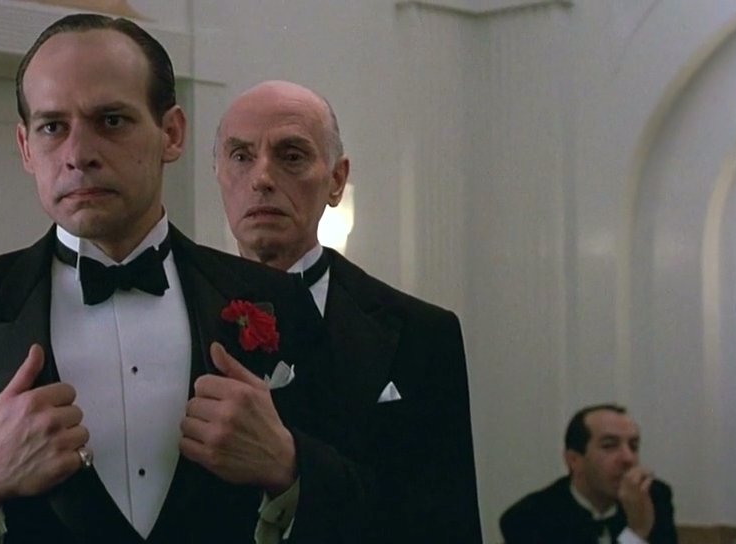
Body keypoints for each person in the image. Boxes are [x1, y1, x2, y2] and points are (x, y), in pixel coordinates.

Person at [0, 15, 340, 543]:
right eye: (53, 127)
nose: (78, 155)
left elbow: (376, 506)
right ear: (26, 148)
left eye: (111, 120)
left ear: (171, 134)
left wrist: (289, 467)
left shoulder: (279, 302)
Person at [213, 80, 482, 541]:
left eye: (291, 156)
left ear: (336, 180)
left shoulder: (422, 333)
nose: (261, 178)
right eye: (241, 156)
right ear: (218, 173)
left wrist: (295, 469)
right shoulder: (178, 313)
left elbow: (447, 524)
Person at [499, 404, 677, 543]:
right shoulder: (528, 518)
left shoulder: (653, 497)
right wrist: (635, 533)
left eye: (633, 446)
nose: (628, 458)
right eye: (609, 445)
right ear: (574, 460)